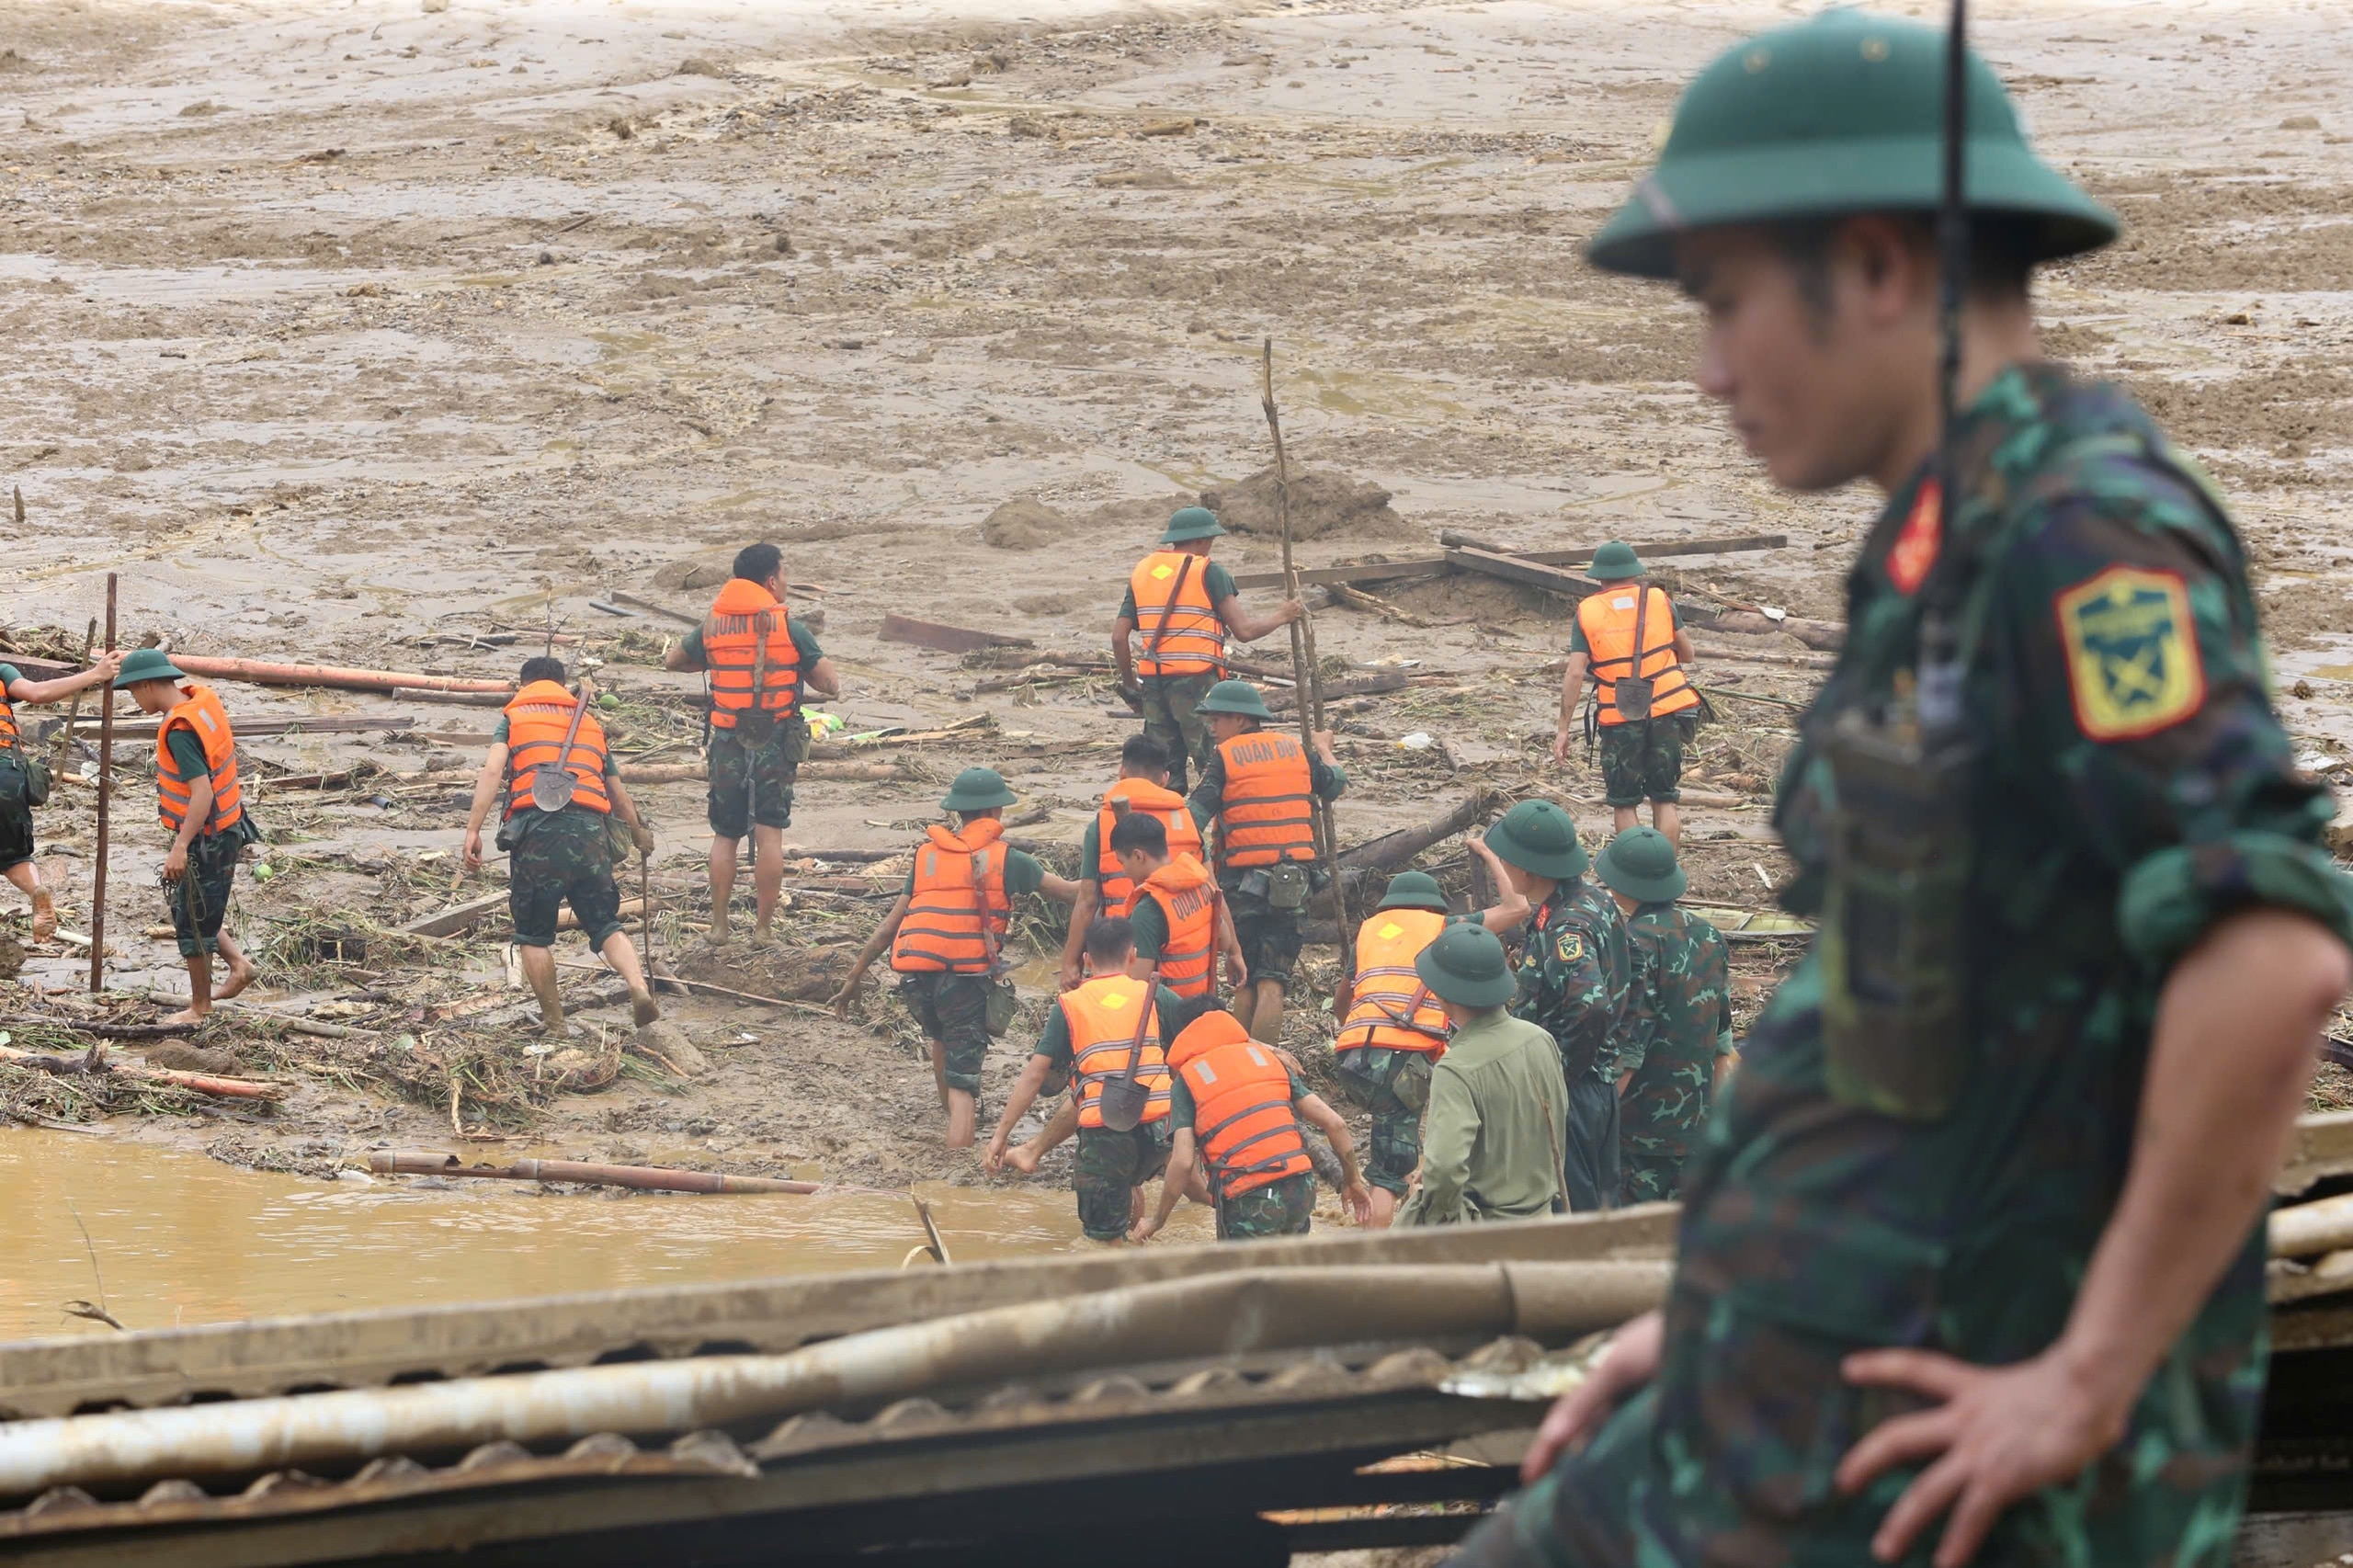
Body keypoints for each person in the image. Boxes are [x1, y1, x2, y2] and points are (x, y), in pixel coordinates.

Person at [1457, 13, 2353, 1568]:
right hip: (1800, 1380)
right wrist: (1723, 1300)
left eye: (1728, 305)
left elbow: (2268, 960)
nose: (1710, 368)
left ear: (1878, 268)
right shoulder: (1942, 550)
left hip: (1957, 1469)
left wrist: (2083, 1381)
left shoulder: (2081, 542)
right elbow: (1907, 997)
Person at [831, 767, 1079, 1148]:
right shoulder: (1009, 860)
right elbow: (1070, 894)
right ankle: (956, 1172)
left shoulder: (927, 856)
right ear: (996, 812)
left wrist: (853, 978)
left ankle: (950, 1119)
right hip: (965, 982)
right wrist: (1108, 878)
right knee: (965, 1085)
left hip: (918, 980)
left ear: (958, 814)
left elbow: (887, 929)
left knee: (941, 1039)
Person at [991, 810, 1240, 1178]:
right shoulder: (1199, 881)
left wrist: (1095, 1002)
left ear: (1138, 855)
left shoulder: (1150, 909)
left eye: (1123, 862)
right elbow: (1224, 940)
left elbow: (1133, 990)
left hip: (1158, 1023)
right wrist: (1236, 956)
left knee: (1104, 1084)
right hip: (1194, 1010)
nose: (1124, 872)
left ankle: (1036, 1149)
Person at [461, 657, 661, 1034]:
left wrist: (473, 830)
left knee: (534, 935)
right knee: (604, 922)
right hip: (591, 831)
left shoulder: (514, 719)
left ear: (523, 685)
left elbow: (492, 771)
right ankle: (638, 985)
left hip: (538, 833)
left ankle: (556, 1024)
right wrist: (637, 834)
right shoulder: (587, 723)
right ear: (561, 684)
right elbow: (617, 793)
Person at [664, 543, 842, 942]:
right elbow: (829, 685)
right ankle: (763, 930)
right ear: (770, 580)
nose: (786, 582)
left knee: (725, 834)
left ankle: (719, 926)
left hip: (727, 739)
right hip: (775, 741)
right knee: (769, 835)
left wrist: (719, 661)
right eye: (785, 574)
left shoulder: (712, 625)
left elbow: (674, 661)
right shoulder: (791, 629)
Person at [987, 916, 1181, 1244]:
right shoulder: (1155, 995)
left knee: (1102, 1244)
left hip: (1107, 1134)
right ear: (1132, 956)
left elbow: (1035, 1075)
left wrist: (1000, 1136)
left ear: (1087, 960)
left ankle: (1118, 1262)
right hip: (1160, 1134)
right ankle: (1137, 1249)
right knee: (1128, 1179)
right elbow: (1212, 1029)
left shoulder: (1071, 1005)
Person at [1478, 799, 1628, 1211]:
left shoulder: (1568, 926)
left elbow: (1592, 1007)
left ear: (1526, 868)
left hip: (1573, 1095)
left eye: (1506, 860)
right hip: (1595, 1087)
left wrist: (1558, 1075)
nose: (1502, 870)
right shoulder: (1591, 901)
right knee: (1598, 1214)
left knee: (1571, 1219)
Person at [1185, 678, 1345, 1044]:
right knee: (1273, 982)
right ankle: (1265, 1068)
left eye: (1217, 720)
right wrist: (1324, 748)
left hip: (1242, 885)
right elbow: (1335, 783)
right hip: (1294, 883)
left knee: (1244, 980)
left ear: (1240, 720)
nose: (1212, 727)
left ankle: (1237, 1062)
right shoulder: (1296, 751)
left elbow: (1193, 818)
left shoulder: (1224, 759)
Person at [1131, 1007, 1371, 1244]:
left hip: (1249, 1197)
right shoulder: (1267, 1060)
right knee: (1293, 1276)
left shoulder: (1188, 1079)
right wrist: (1353, 1181)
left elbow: (1183, 1162)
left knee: (1245, 1281)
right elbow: (1336, 1124)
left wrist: (1157, 1220)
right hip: (1301, 1188)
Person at [1112, 506, 1302, 797]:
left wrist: (1130, 687)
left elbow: (1118, 638)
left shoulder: (1143, 571)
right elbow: (1244, 631)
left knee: (1162, 775)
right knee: (1212, 768)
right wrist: (1282, 615)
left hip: (1152, 685)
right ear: (1201, 540)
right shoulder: (1209, 571)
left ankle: (1167, 833)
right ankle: (1218, 833)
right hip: (1196, 685)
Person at [116, 649, 261, 1024]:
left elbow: (202, 793)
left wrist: (180, 847)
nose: (134, 700)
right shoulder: (200, 700)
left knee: (193, 920)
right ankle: (238, 966)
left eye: (133, 692)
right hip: (225, 823)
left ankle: (200, 1007)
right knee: (194, 904)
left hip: (208, 834)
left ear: (148, 684)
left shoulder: (180, 731)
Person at [1590, 827, 1733, 1204]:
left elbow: (1629, 1053)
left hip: (1641, 1136)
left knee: (1632, 1243)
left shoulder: (1632, 942)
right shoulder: (1709, 935)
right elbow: (1722, 1042)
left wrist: (1592, 1127)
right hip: (1695, 1130)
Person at [1392, 925, 1568, 1228]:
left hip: (1488, 1238)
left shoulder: (1456, 1067)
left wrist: (1437, 1212)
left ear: (1442, 993)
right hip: (1543, 1222)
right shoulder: (1540, 1039)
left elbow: (1445, 1168)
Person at [1554, 541, 1702, 846]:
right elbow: (1687, 654)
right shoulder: (1660, 600)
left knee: (1624, 802)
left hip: (1619, 715)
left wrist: (1563, 729)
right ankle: (1664, 873)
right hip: (1668, 709)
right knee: (1664, 799)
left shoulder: (1587, 612)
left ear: (1599, 578)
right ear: (1634, 573)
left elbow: (1574, 673)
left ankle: (1637, 874)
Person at [1331, 869, 1455, 1229]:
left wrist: (1358, 1030)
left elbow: (1342, 1000)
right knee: (1388, 1172)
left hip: (1354, 1059)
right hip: (1401, 1063)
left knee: (1388, 1136)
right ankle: (1376, 1261)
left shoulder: (1369, 934)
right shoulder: (1442, 929)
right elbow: (1514, 911)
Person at [1057, 734, 1202, 992]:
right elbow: (1213, 891)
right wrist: (1234, 951)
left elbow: (1088, 900)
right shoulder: (1188, 820)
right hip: (1184, 963)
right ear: (1165, 779)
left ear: (1122, 772)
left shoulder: (1100, 825)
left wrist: (1070, 961)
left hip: (1120, 952)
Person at [0, 648, 122, 941]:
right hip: (8, 774)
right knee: (14, 857)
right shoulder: (2, 671)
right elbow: (37, 693)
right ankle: (35, 890)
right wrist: (96, 674)